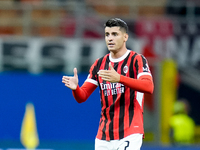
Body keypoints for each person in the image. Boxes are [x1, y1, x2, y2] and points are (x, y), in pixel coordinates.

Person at [62, 18, 154, 150]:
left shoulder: (136, 60)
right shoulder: (99, 64)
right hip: (104, 135)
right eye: (107, 35)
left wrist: (120, 78)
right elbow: (82, 97)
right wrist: (76, 88)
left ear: (125, 37)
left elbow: (149, 87)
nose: (110, 38)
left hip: (130, 131)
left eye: (115, 34)